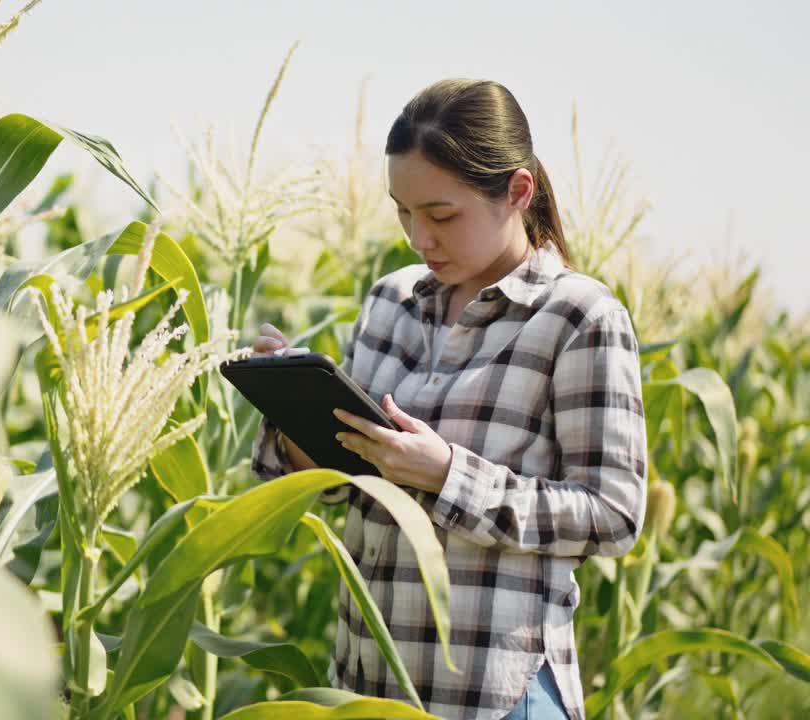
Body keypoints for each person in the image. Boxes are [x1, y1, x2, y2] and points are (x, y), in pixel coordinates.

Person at [250, 78, 647, 720]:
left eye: (441, 216)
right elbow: (341, 481)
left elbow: (613, 515)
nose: (418, 238)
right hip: (369, 688)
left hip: (496, 695)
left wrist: (446, 475)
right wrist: (296, 411)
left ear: (517, 192)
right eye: (403, 212)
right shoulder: (389, 302)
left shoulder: (580, 318)